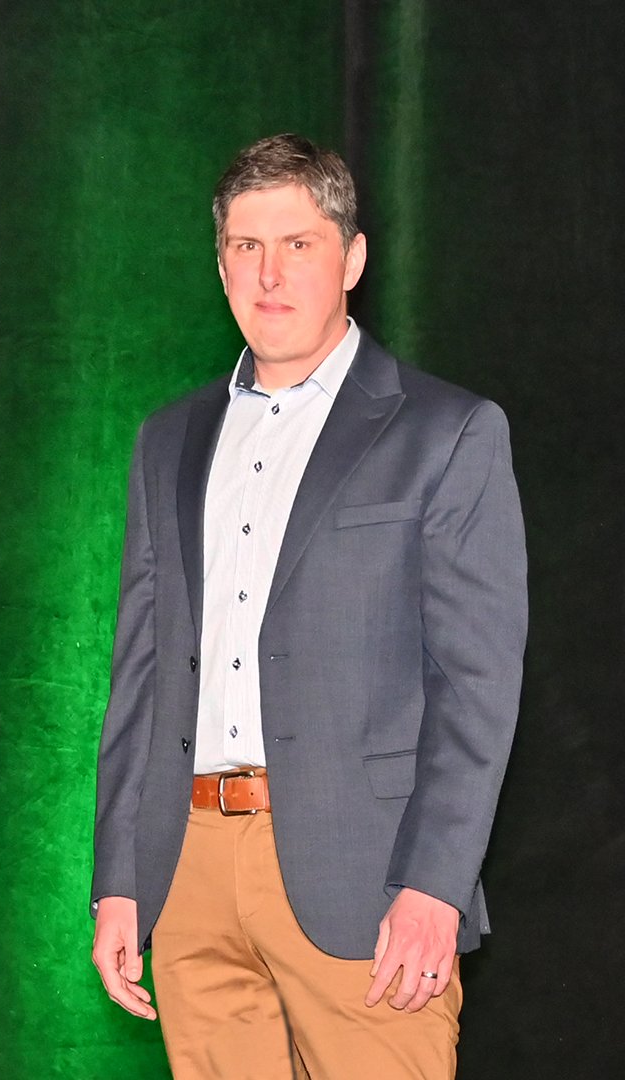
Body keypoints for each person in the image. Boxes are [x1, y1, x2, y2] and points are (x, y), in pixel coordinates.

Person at [89, 133, 527, 1077]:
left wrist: (434, 884)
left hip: (367, 878)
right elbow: (142, 672)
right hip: (191, 871)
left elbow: (477, 687)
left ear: (353, 258)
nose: (270, 272)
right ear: (219, 264)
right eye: (246, 247)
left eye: (299, 243)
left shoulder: (446, 432)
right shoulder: (167, 439)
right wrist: (119, 882)